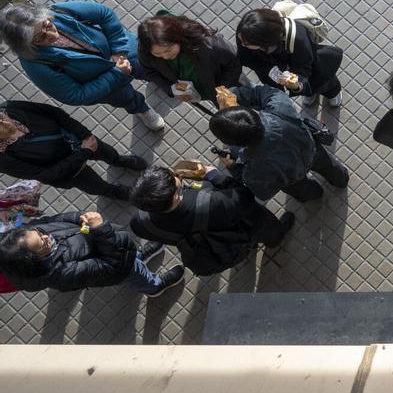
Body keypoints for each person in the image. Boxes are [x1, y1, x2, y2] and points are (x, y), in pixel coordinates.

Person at [0, 1, 165, 131]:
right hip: (106, 86)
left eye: (47, 25)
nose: (51, 34)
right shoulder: (35, 64)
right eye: (39, 38)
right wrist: (116, 74)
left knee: (150, 67)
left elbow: (104, 14)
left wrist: (118, 51)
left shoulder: (59, 11)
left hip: (125, 52)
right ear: (24, 45)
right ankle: (142, 110)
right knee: (128, 98)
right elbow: (74, 95)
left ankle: (160, 80)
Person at [129, 166, 295, 273]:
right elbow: (244, 197)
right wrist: (214, 175)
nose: (175, 175)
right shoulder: (215, 204)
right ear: (174, 197)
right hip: (246, 227)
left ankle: (250, 248)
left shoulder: (140, 223)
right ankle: (275, 239)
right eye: (174, 179)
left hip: (211, 248)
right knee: (268, 229)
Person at [209, 84, 349, 202]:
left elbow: (263, 193)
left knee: (305, 192)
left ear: (231, 141)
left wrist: (234, 167)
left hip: (291, 179)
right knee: (330, 167)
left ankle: (316, 195)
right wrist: (234, 95)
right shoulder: (279, 109)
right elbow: (267, 92)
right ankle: (341, 180)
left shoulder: (252, 166)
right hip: (311, 149)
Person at [0, 210, 184, 296]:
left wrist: (79, 219)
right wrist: (100, 229)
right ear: (34, 260)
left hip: (113, 246)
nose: (46, 235)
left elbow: (54, 220)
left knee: (132, 258)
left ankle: (138, 256)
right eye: (43, 243)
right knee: (137, 274)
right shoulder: (60, 273)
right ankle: (155, 287)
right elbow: (109, 264)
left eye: (39, 232)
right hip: (120, 267)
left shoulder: (27, 235)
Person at [0, 100, 146, 200]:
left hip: (77, 139)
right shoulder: (3, 158)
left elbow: (54, 112)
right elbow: (45, 174)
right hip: (68, 171)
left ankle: (117, 161)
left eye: (1, 117)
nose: (5, 123)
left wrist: (85, 135)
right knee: (94, 185)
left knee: (107, 152)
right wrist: (85, 153)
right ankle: (111, 192)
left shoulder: (10, 107)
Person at [235, 8, 343, 108]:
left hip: (307, 65)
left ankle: (333, 92)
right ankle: (309, 92)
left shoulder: (297, 38)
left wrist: (296, 85)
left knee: (322, 80)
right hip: (275, 72)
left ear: (264, 41)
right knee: (308, 88)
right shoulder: (244, 34)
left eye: (247, 43)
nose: (243, 45)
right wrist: (272, 71)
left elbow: (303, 69)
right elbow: (247, 59)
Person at [137, 14, 242, 106]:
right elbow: (150, 72)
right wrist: (171, 89)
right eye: (157, 54)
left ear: (177, 37)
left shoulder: (209, 43)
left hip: (229, 88)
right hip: (206, 93)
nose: (165, 56)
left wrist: (222, 91)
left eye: (168, 50)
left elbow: (234, 62)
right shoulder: (146, 51)